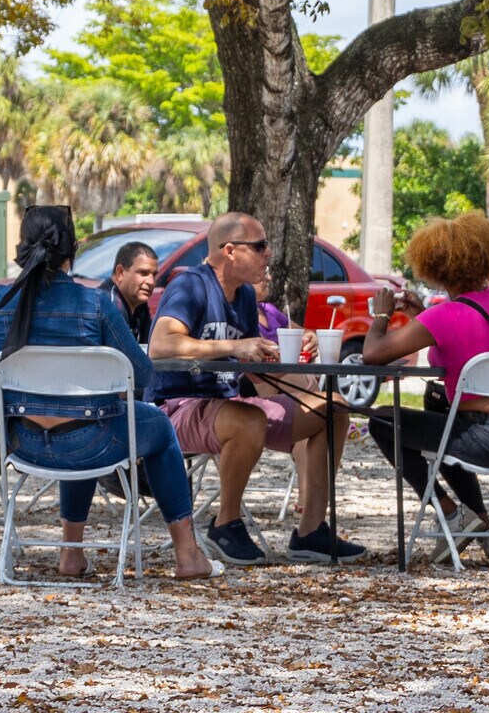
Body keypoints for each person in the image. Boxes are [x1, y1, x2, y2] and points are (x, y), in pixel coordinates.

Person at [0, 207, 221, 580]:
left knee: (82, 417)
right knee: (156, 427)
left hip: (22, 442)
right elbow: (140, 371)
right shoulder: (95, 303)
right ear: (72, 253)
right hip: (91, 442)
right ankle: (187, 555)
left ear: (21, 249)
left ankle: (71, 556)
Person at [147, 212, 362, 566]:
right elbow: (161, 345)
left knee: (333, 406)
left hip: (230, 402)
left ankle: (310, 532)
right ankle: (225, 523)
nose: (268, 254)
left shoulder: (245, 296)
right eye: (260, 246)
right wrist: (235, 347)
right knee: (247, 419)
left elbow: (246, 370)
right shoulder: (191, 284)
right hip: (175, 406)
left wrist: (280, 358)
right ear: (230, 250)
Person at [362, 214, 489, 566]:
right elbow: (468, 334)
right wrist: (423, 315)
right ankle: (487, 531)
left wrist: (382, 315)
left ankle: (450, 512)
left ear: (436, 270)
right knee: (441, 409)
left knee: (382, 422)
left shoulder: (443, 317)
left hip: (487, 441)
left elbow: (372, 355)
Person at [102, 240, 159, 345]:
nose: (151, 282)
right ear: (120, 272)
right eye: (143, 273)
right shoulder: (108, 304)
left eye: (154, 275)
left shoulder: (140, 305)